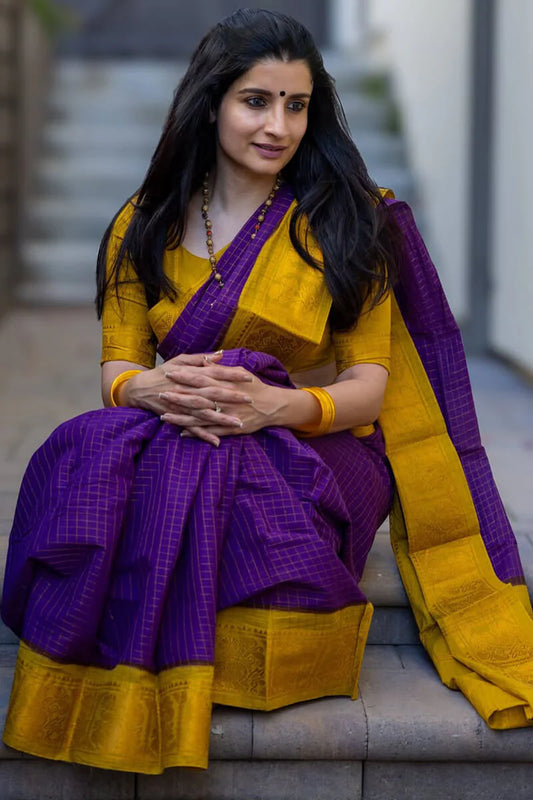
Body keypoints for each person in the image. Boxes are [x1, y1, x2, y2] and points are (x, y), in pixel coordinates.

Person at [2, 8, 532, 776]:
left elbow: (368, 389)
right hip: (182, 423)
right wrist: (153, 387)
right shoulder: (143, 224)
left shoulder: (348, 222)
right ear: (210, 103)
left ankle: (201, 663)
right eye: (256, 101)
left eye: (296, 105)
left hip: (320, 447)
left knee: (213, 470)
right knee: (81, 450)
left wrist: (272, 407)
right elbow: (117, 368)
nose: (277, 126)